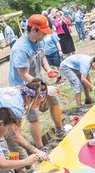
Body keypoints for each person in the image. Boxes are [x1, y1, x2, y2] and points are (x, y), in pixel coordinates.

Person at [9, 14, 66, 150]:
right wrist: (44, 88)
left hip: (37, 80)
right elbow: (24, 75)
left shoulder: (39, 40)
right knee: (33, 116)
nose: (45, 35)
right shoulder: (21, 49)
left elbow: (42, 56)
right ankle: (40, 147)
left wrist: (48, 70)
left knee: (54, 101)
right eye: (43, 32)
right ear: (33, 30)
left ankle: (59, 130)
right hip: (22, 85)